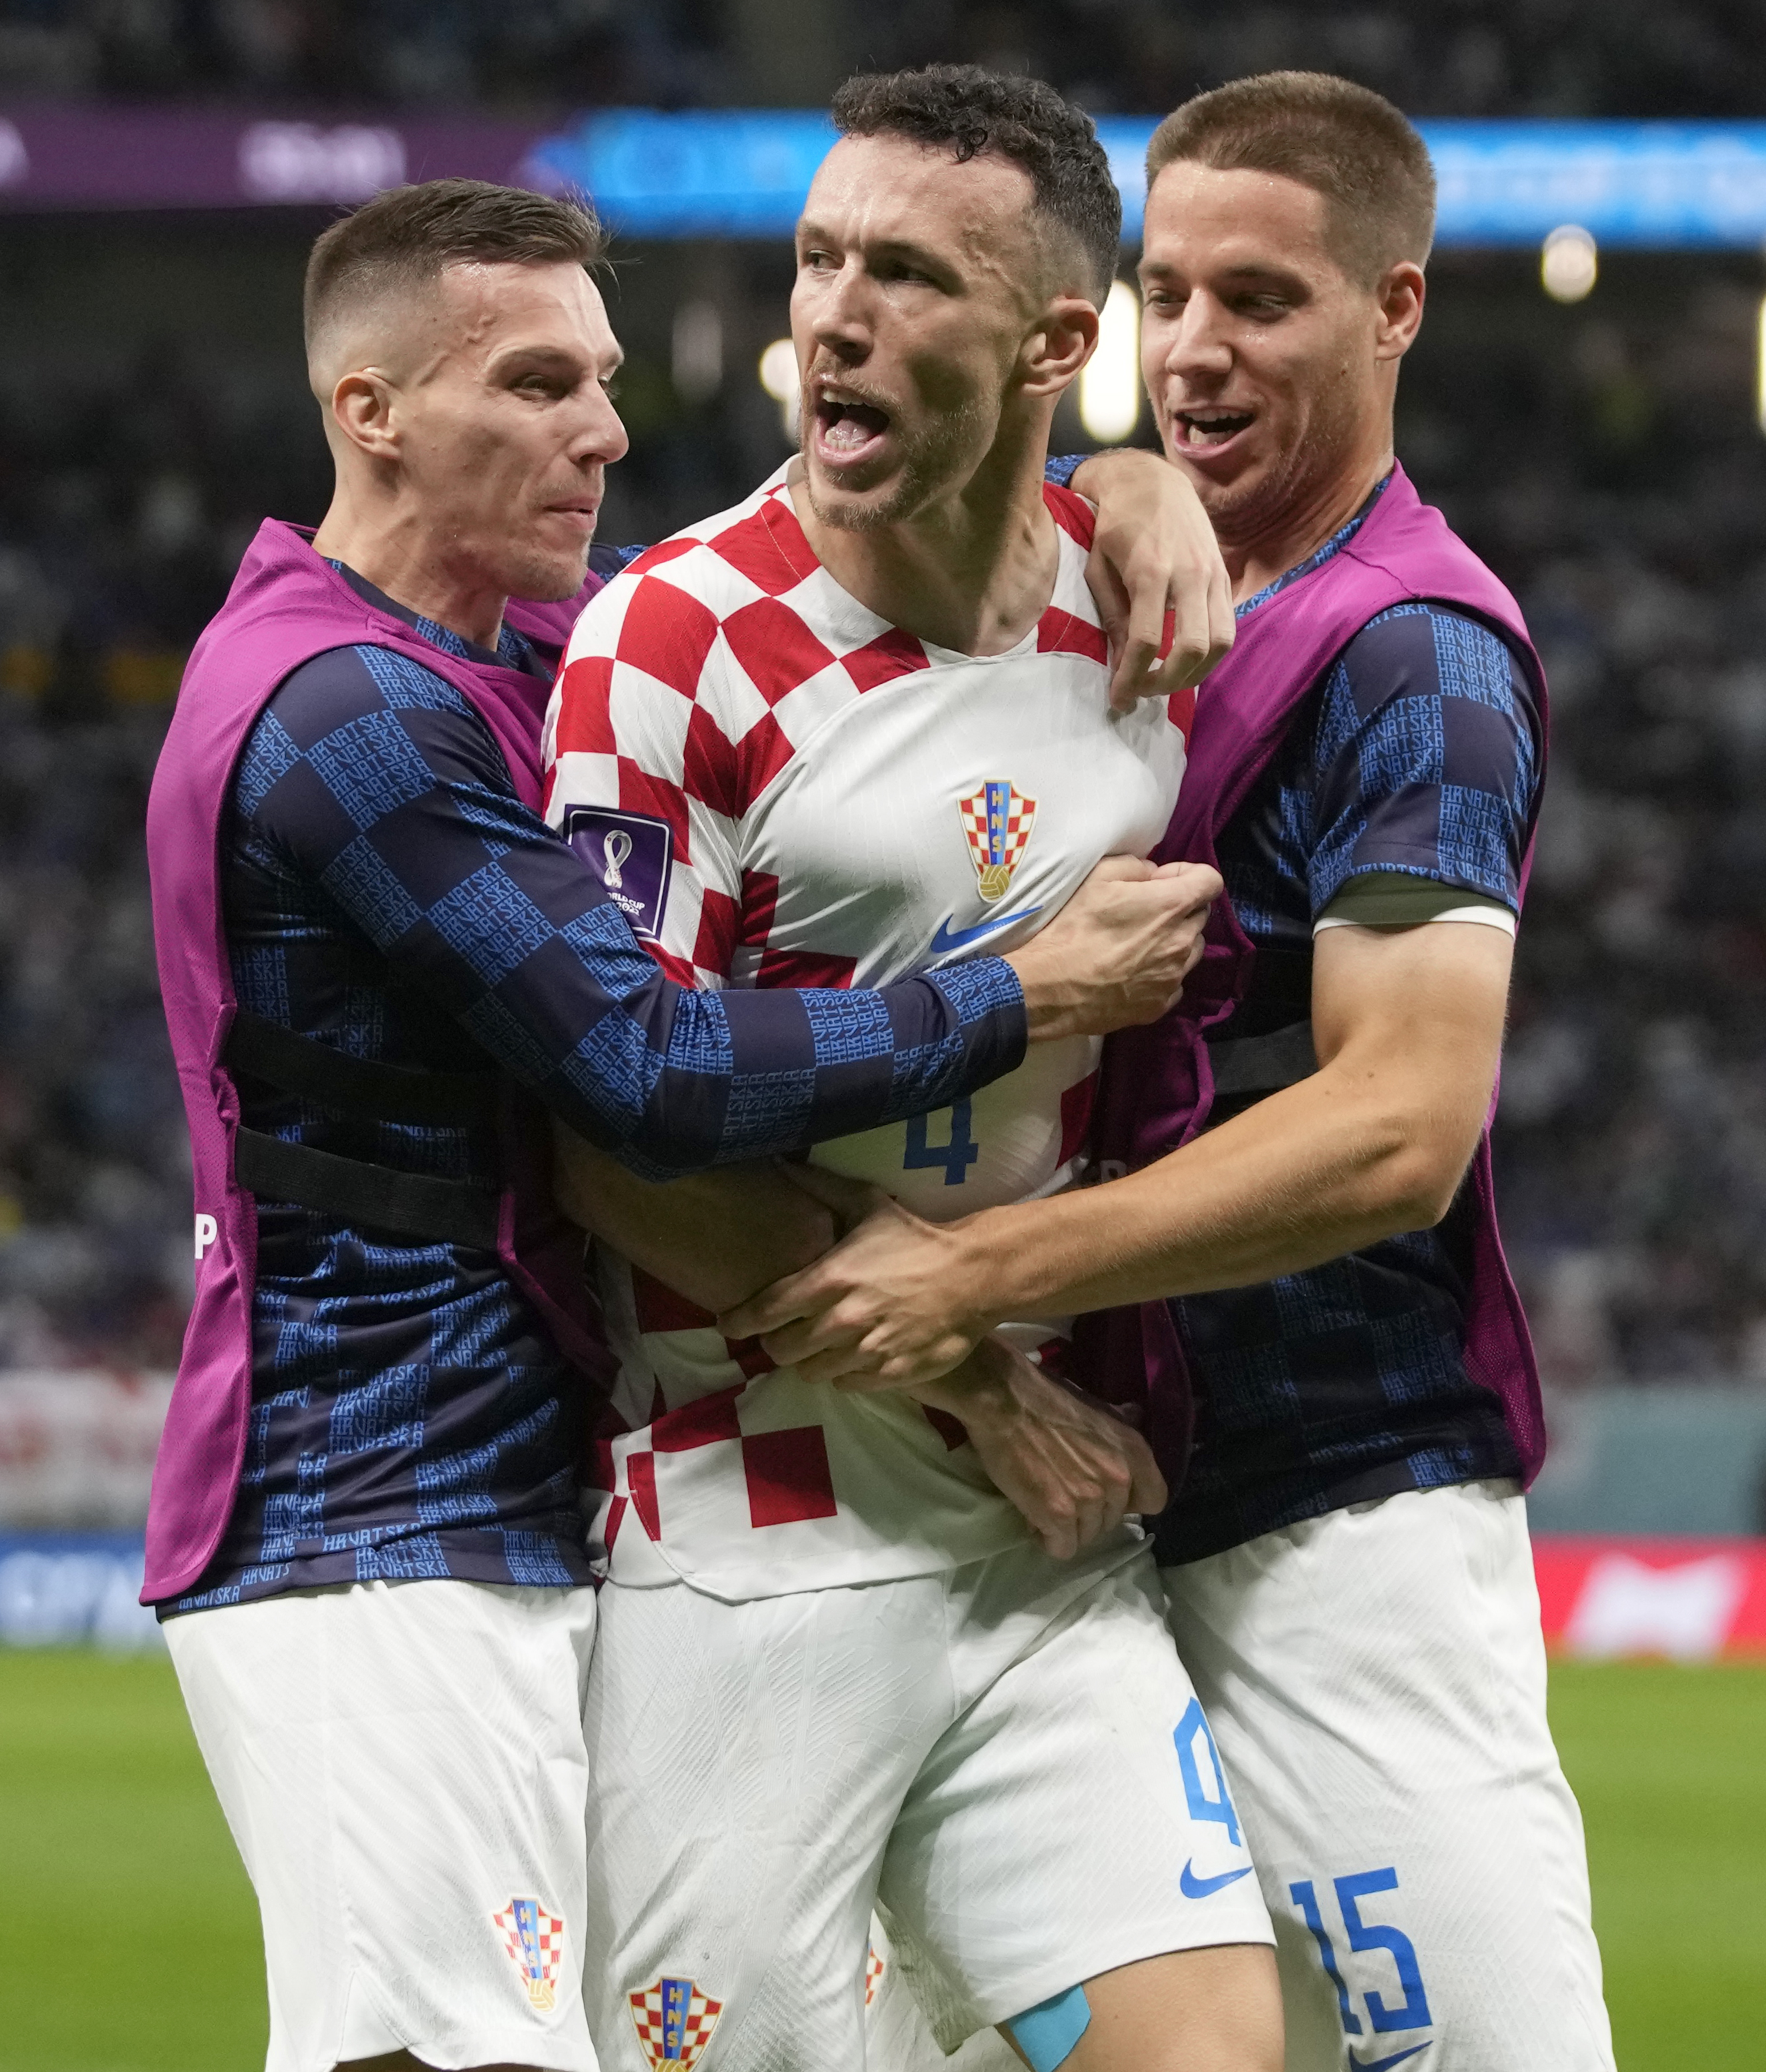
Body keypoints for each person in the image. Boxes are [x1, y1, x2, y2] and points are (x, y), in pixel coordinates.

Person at [140, 177, 1225, 2072]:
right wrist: (1023, 993)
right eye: (541, 384)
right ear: (368, 409)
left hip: (476, 1490)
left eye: (607, 383)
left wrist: (1123, 481)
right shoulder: (350, 715)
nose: (608, 432)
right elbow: (639, 1072)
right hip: (364, 1508)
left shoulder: (470, 664)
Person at [721, 71, 1615, 2072]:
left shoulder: (1413, 659)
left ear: (1393, 310)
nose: (1199, 347)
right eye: (1172, 295)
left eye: (1265, 303)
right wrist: (1117, 482)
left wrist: (974, 1280)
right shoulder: (1113, 591)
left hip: (1329, 1508)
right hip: (1078, 1514)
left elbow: (1398, 1123)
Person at [545, 68, 1283, 2072]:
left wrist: (1139, 481)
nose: (836, 315)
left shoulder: (1122, 603)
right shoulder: (669, 641)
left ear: (1056, 342)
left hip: (1032, 1537)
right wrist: (972, 1367)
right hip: (750, 1520)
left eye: (907, 274)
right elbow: (601, 1122)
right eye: (817, 260)